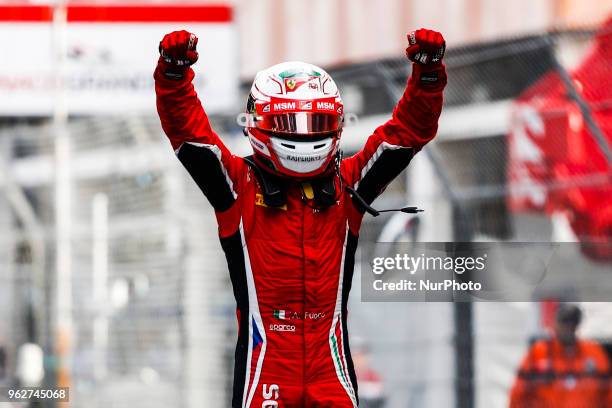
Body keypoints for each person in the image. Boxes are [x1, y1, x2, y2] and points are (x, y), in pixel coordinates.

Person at [155, 28, 446, 408]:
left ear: (338, 125)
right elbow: (188, 134)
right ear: (260, 122)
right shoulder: (237, 187)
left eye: (317, 124)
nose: (306, 137)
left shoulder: (349, 186)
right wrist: (174, 74)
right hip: (267, 369)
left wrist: (427, 76)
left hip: (332, 370)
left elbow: (408, 133)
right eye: (292, 124)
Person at [509, 304, 611, 408]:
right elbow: (518, 394)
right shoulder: (538, 353)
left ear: (577, 325)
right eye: (564, 322)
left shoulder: (594, 352)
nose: (568, 327)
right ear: (555, 323)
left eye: (572, 322)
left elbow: (609, 393)